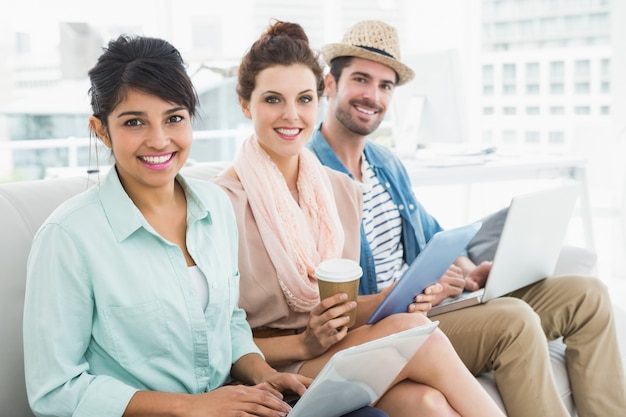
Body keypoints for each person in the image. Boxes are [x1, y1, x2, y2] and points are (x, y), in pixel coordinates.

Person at [22, 34, 386, 417]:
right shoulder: (68, 237)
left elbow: (227, 322)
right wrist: (191, 407)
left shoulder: (213, 205)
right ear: (101, 130)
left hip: (229, 401)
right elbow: (55, 390)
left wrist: (263, 375)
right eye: (134, 122)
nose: (159, 140)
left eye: (174, 118)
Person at [307, 19, 626, 417]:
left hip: (432, 306)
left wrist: (469, 270)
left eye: (385, 85)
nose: (373, 95)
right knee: (514, 319)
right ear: (331, 84)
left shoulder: (385, 164)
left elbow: (434, 237)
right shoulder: (311, 173)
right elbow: (333, 301)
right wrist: (419, 289)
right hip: (391, 327)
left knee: (589, 295)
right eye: (361, 79)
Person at [212, 20, 505, 417]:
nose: (291, 115)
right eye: (272, 100)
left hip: (336, 348)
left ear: (319, 99)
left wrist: (391, 299)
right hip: (273, 366)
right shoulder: (220, 205)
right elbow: (217, 338)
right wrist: (304, 343)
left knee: (430, 405)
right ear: (246, 104)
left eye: (303, 99)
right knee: (422, 338)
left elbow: (342, 311)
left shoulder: (340, 190)